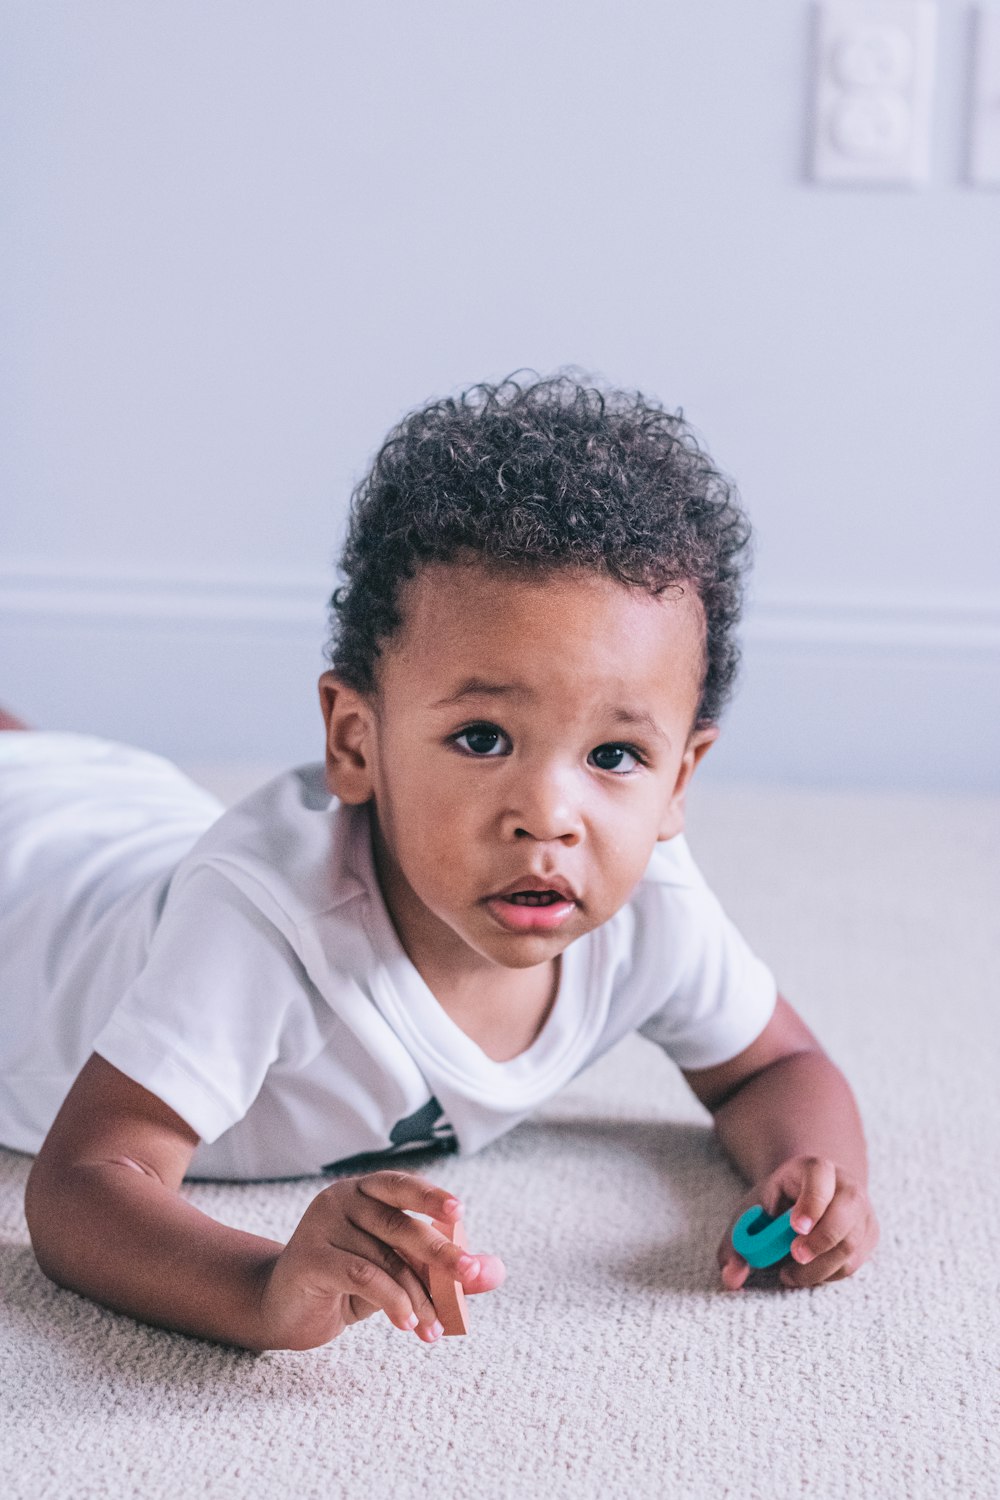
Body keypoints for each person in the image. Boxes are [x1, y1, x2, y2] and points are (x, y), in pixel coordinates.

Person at [1, 371, 879, 1353]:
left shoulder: (653, 912)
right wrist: (260, 1287)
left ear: (680, 778)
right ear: (356, 740)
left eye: (615, 756)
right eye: (481, 738)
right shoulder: (267, 921)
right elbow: (81, 1187)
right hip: (30, 893)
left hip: (130, 822)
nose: (548, 816)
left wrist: (811, 1174)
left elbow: (775, 1067)